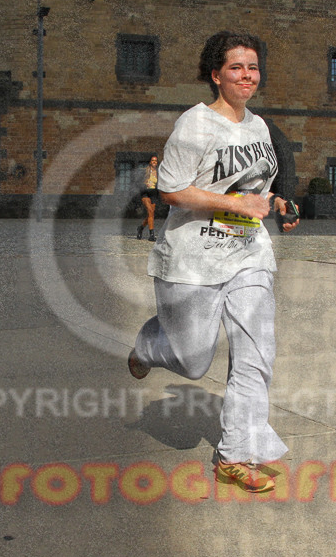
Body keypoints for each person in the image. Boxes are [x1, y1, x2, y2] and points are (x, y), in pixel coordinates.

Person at [128, 31, 299, 494]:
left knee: (256, 355)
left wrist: (274, 202)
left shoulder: (259, 128)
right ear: (216, 75)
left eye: (253, 68)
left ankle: (236, 455)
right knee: (192, 361)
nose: (247, 76)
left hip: (248, 255)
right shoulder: (195, 125)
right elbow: (170, 190)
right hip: (193, 261)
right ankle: (149, 344)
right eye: (237, 68)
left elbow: (254, 186)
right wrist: (240, 205)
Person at [136, 154, 160, 241]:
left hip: (154, 194)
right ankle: (152, 235)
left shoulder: (158, 172)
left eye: (156, 161)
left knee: (151, 214)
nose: (154, 162)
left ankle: (141, 228)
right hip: (145, 193)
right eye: (153, 160)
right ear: (150, 162)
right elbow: (137, 182)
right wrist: (145, 184)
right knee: (150, 211)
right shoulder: (144, 171)